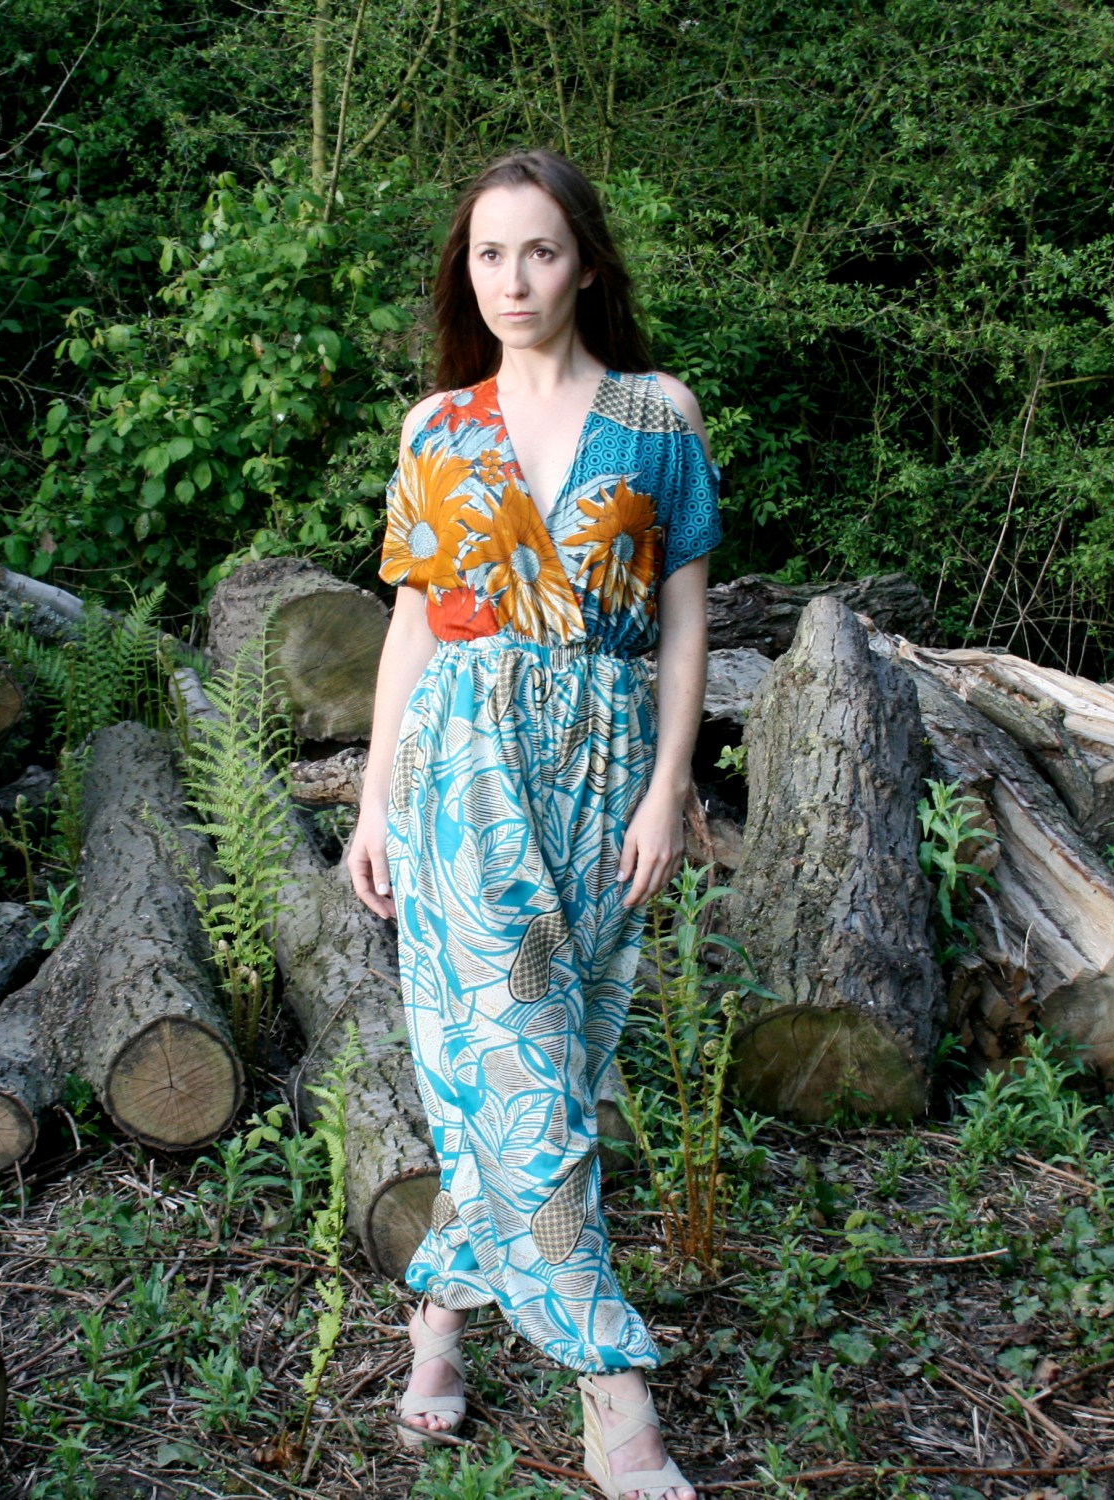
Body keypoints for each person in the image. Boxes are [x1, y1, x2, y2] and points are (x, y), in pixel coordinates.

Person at [346, 147, 720, 1500]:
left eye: (541, 251)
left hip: (603, 773)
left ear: (585, 264)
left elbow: (685, 622)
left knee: (545, 1064)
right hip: (461, 775)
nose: (514, 279)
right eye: (490, 253)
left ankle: (439, 1316)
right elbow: (410, 627)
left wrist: (669, 786)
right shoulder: (436, 428)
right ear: (469, 270)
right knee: (518, 1067)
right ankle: (614, 1393)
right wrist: (373, 798)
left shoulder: (659, 415)